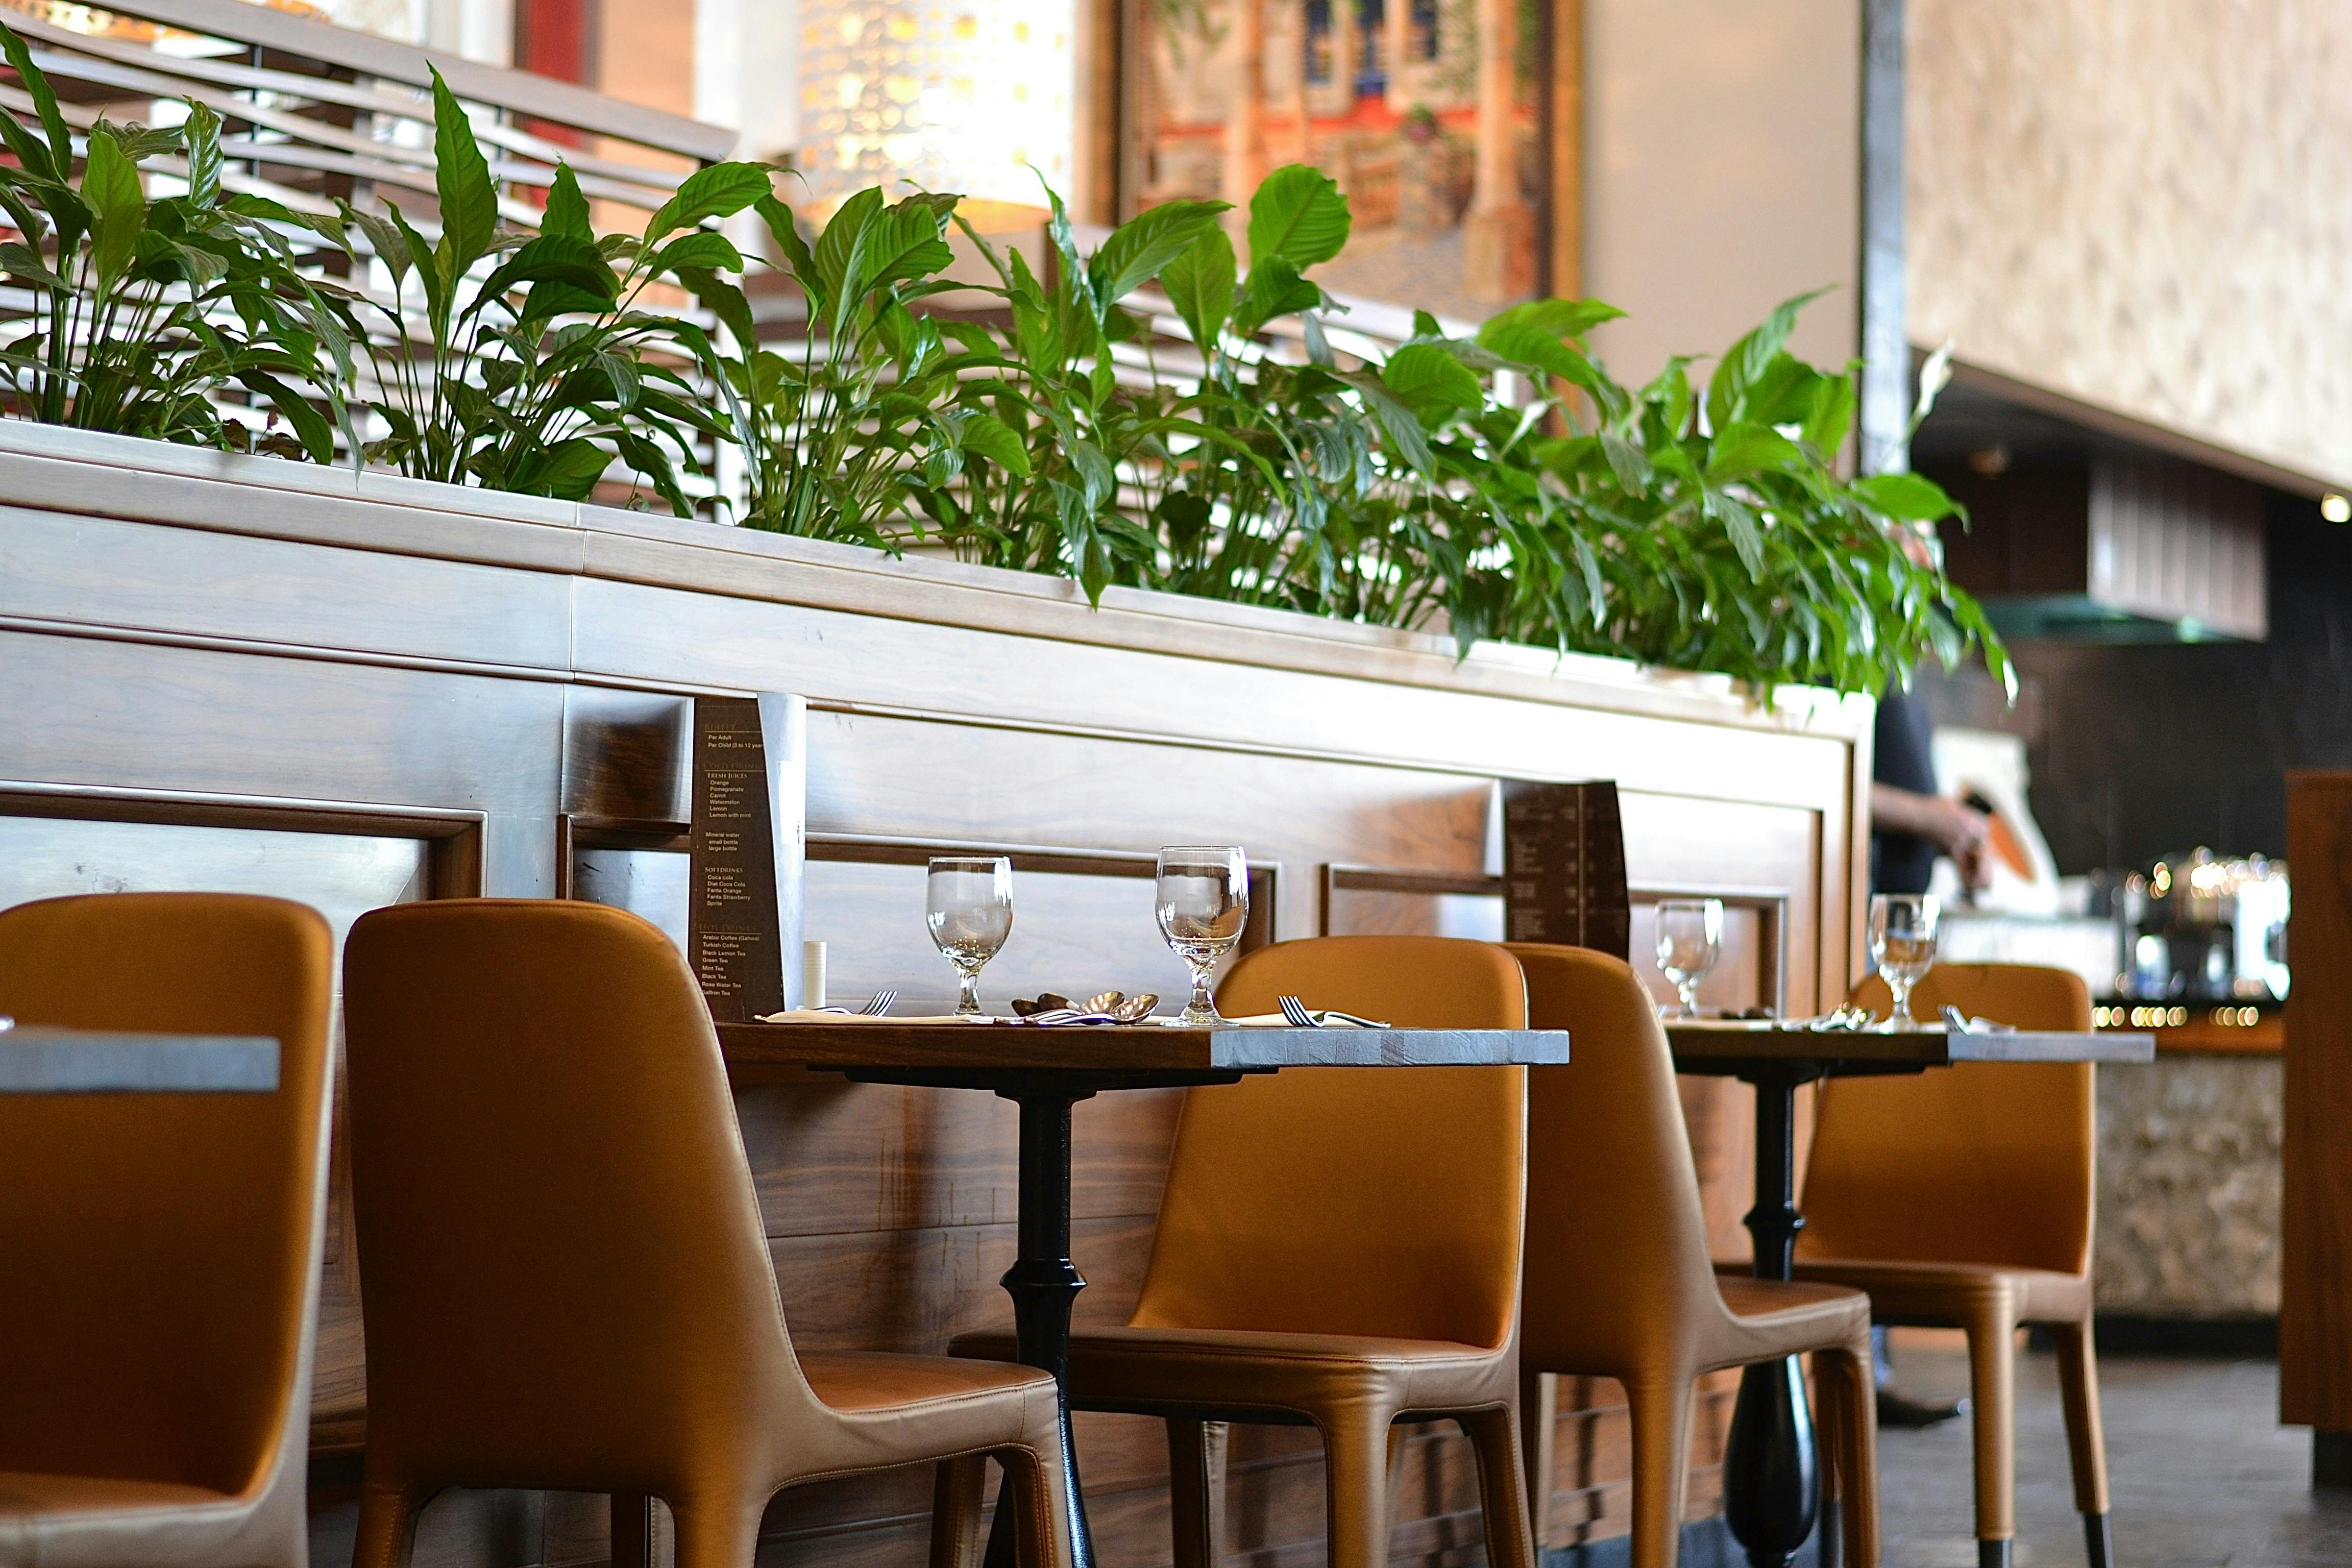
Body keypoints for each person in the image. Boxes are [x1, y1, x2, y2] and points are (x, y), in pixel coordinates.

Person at [1864, 682, 1990, 1428]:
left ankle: (1871, 1366)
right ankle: (1860, 1368)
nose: (1925, 556)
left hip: (1898, 950)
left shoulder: (1893, 664)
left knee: (1880, 1149)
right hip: (1848, 927)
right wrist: (1934, 817)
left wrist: (1956, 839)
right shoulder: (1835, 637)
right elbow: (1828, 771)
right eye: (1914, 551)